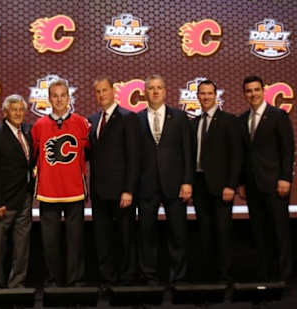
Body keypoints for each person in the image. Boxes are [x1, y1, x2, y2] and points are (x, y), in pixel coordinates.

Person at [31, 79, 90, 287]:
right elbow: (33, 157)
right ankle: (53, 280)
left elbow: (89, 153)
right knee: (50, 242)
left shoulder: (82, 123)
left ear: (69, 98)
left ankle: (76, 280)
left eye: (63, 95)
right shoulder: (38, 126)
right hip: (48, 192)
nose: (59, 99)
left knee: (75, 241)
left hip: (74, 191)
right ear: (48, 99)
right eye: (54, 95)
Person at [135, 75, 193, 285]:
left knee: (178, 233)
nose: (155, 92)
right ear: (145, 92)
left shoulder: (179, 117)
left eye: (159, 87)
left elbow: (187, 151)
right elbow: (134, 156)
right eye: (151, 88)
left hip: (175, 184)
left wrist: (187, 181)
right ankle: (148, 275)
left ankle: (178, 277)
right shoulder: (137, 119)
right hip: (146, 185)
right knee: (146, 234)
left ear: (165, 91)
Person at [238, 75, 294, 283]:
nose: (253, 94)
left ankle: (284, 279)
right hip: (252, 186)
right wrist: (241, 182)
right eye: (249, 91)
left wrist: (285, 178)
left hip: (275, 184)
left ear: (264, 91)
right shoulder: (242, 119)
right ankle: (265, 277)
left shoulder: (278, 115)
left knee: (280, 234)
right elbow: (242, 155)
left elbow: (288, 150)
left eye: (256, 90)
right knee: (260, 235)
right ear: (245, 94)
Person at [87, 77, 138, 287]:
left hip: (121, 191)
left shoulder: (128, 117)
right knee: (103, 237)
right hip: (99, 191)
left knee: (125, 236)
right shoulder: (92, 119)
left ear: (113, 91)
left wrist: (128, 189)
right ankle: (107, 278)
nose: (101, 95)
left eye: (104, 90)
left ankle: (127, 279)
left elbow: (134, 157)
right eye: (97, 92)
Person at [192, 80, 242, 283]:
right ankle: (209, 276)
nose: (205, 97)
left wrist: (231, 184)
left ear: (216, 95)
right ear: (197, 96)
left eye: (209, 93)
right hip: (199, 184)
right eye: (202, 93)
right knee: (204, 232)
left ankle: (224, 276)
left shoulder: (229, 121)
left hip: (222, 187)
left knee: (222, 232)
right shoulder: (193, 122)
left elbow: (236, 155)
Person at [0, 94, 34, 289]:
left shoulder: (28, 133)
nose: (18, 113)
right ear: (5, 113)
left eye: (21, 109)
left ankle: (17, 283)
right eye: (14, 110)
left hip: (25, 198)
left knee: (22, 246)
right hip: (3, 199)